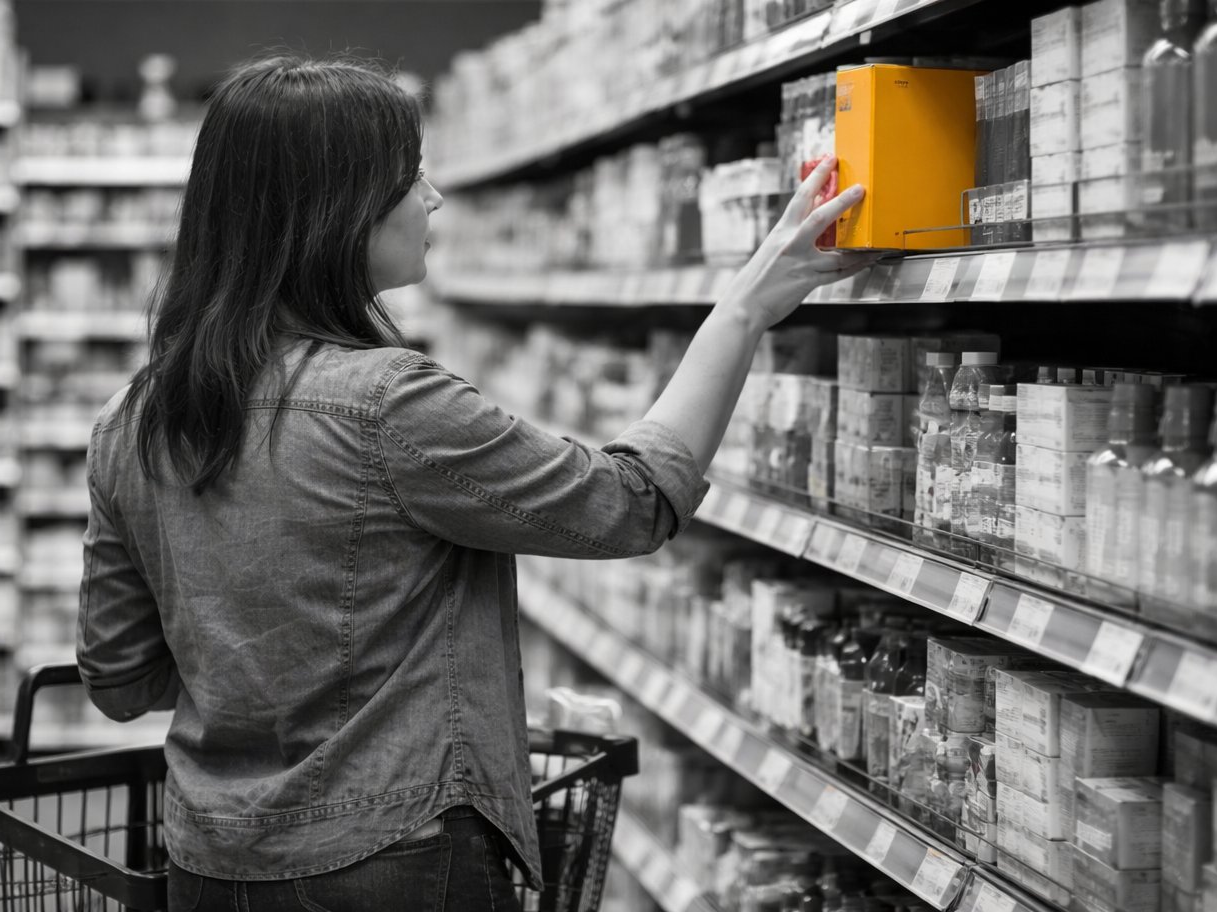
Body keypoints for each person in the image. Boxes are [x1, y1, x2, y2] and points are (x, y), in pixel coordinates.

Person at [77, 55, 880, 912]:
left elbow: (120, 680)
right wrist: (745, 308)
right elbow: (629, 504)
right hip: (390, 864)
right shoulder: (388, 403)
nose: (434, 199)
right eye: (410, 174)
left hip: (208, 867)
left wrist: (254, 650)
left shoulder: (132, 421)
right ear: (337, 210)